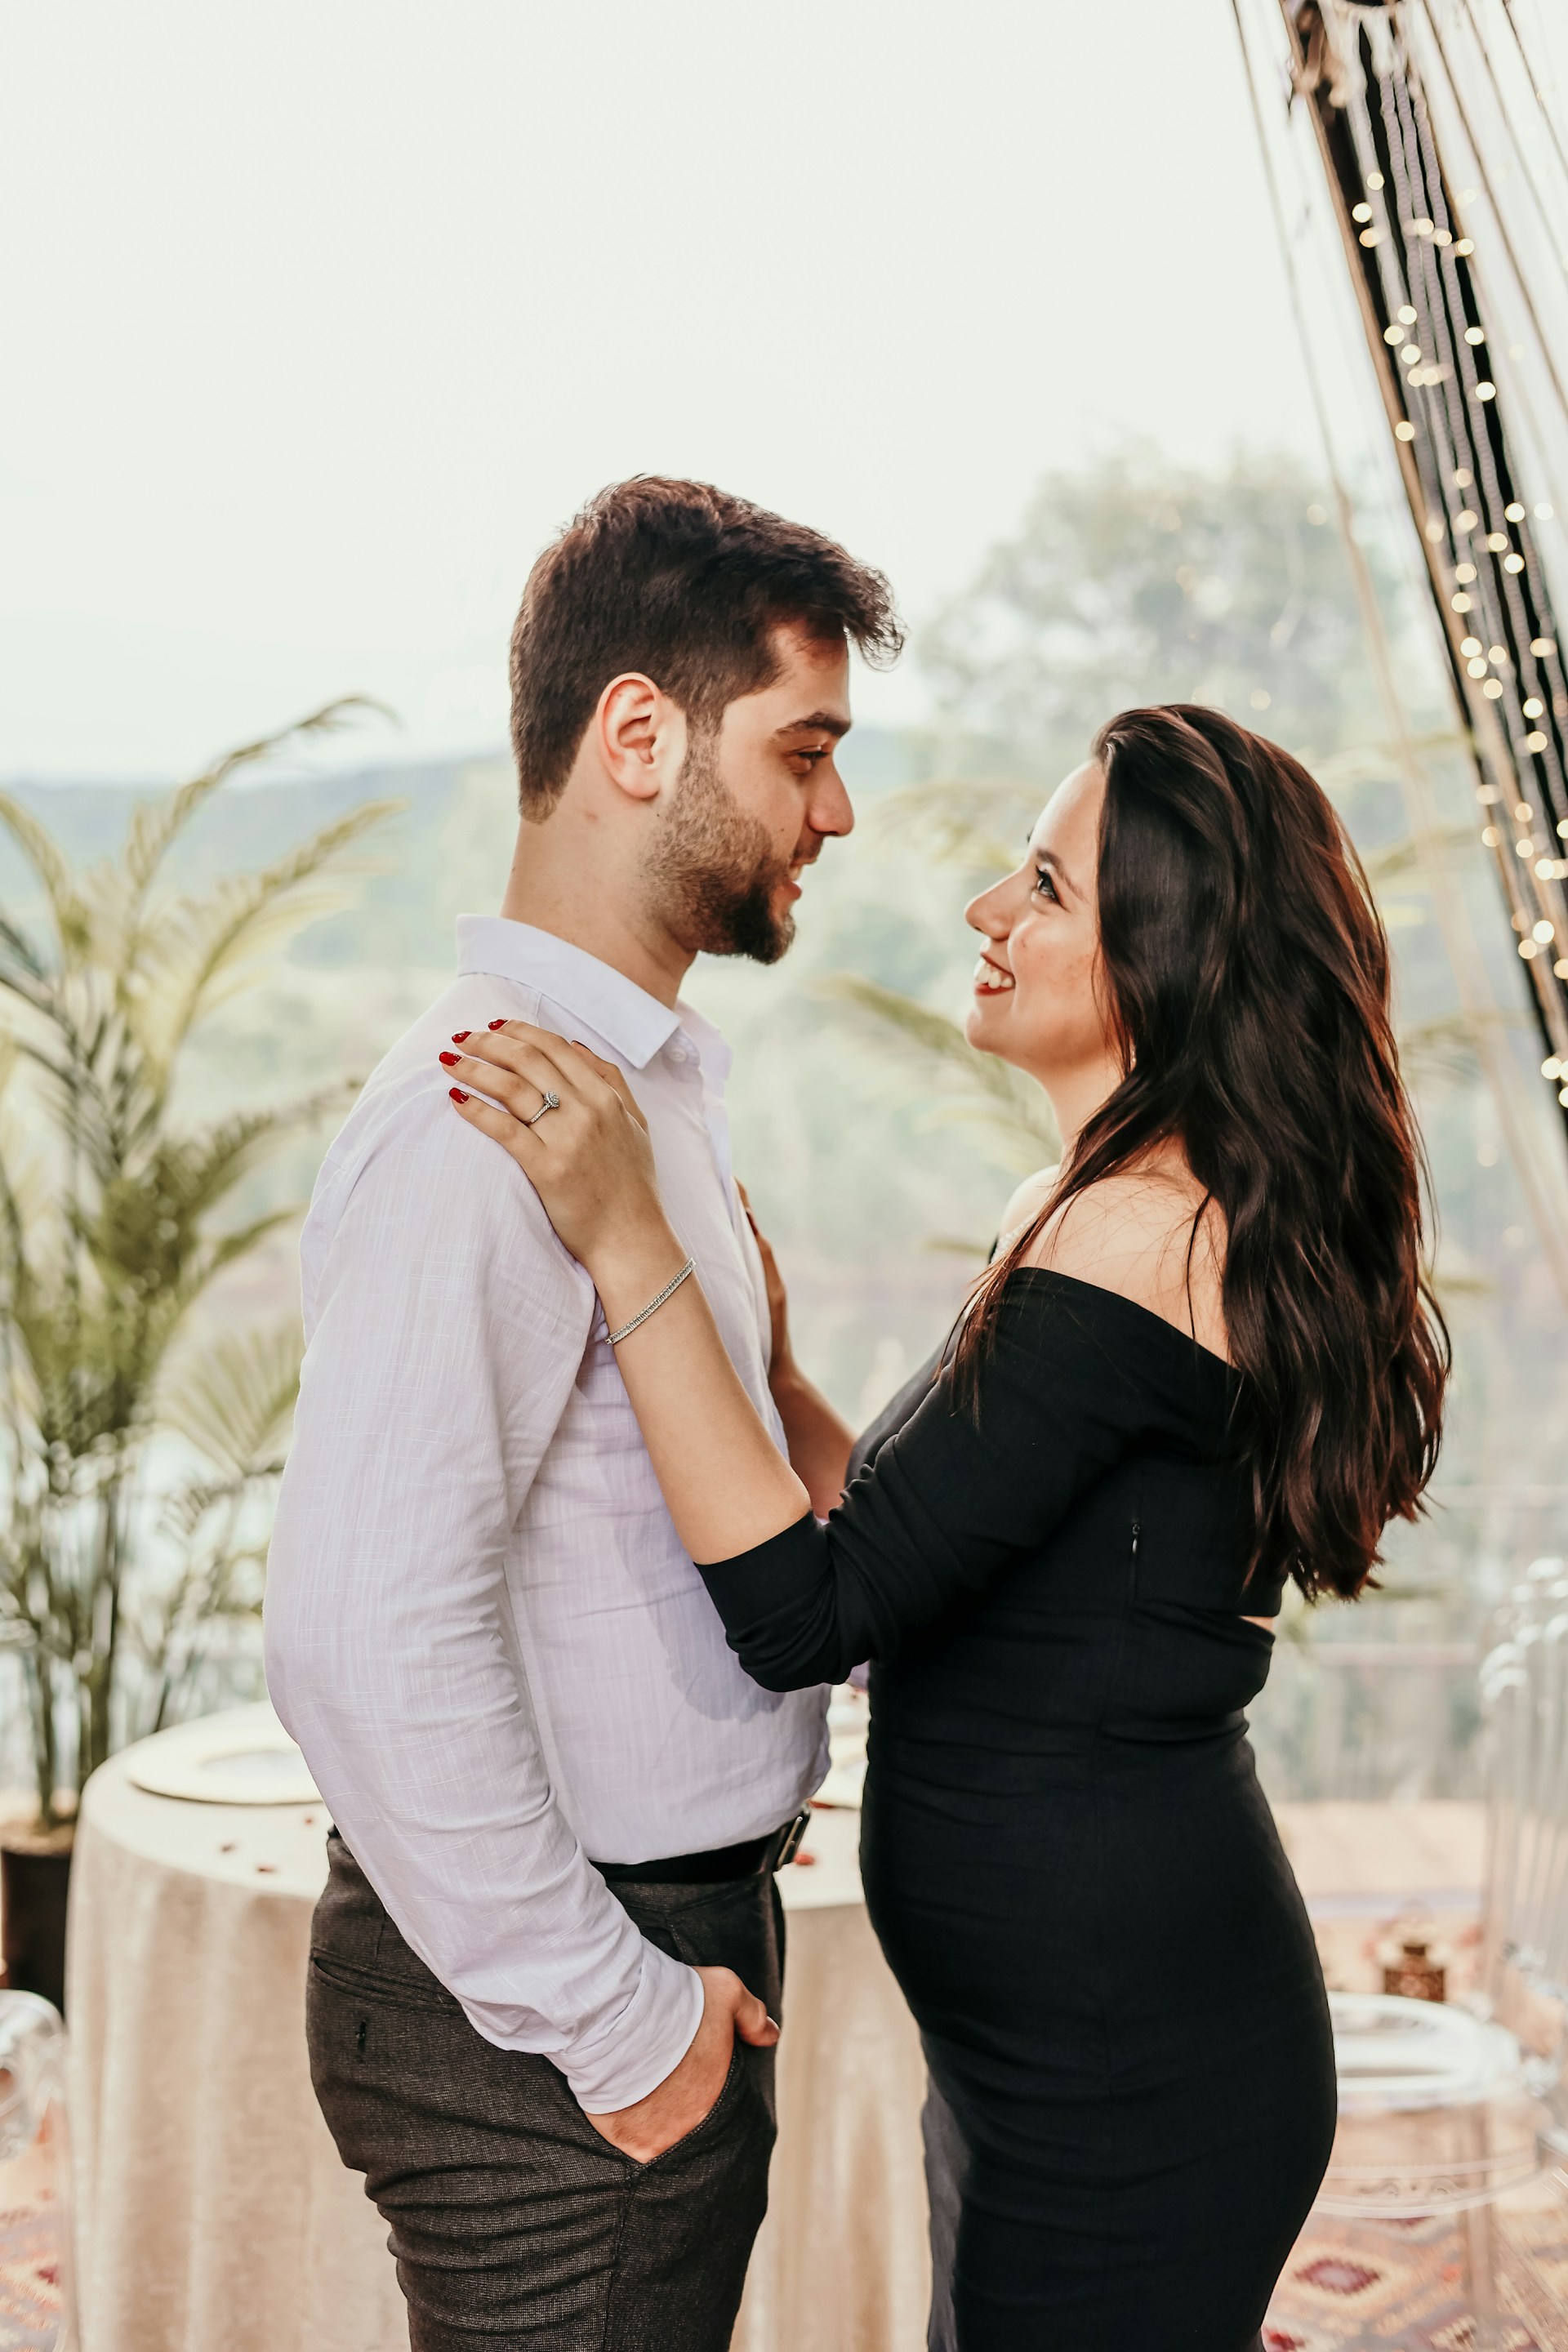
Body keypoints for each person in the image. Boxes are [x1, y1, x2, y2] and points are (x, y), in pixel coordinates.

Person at [445, 702, 1450, 2352]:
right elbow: (918, 1550)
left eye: (1045, 886)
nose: (989, 909)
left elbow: (805, 1612)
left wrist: (637, 1248)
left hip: (1130, 2064)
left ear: (1165, 958)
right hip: (1056, 2042)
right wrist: (763, 1363)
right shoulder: (1087, 1209)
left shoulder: (1143, 1236)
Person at [263, 476, 902, 2351]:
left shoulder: (639, 1097)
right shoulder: (491, 1120)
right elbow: (357, 1635)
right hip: (561, 2016)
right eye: (806, 749)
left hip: (651, 1945)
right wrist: (622, 2022)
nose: (836, 811)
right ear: (641, 733)